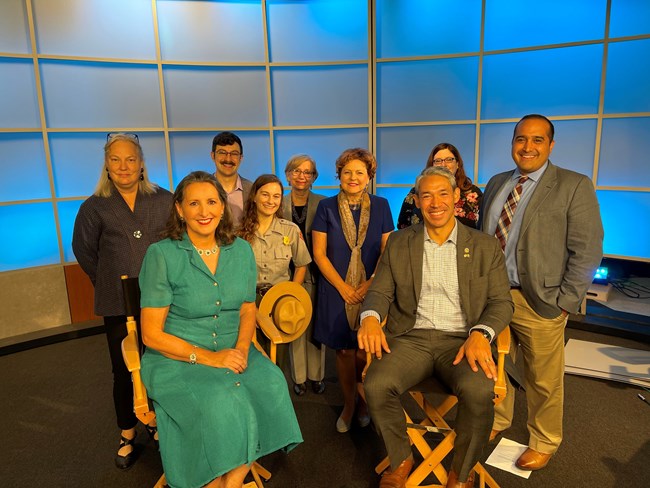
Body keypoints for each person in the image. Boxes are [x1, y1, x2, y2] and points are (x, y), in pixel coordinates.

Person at [138, 171, 303, 488]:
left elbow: (247, 309)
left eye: (212, 202)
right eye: (194, 203)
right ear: (179, 210)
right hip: (176, 357)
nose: (204, 212)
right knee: (221, 401)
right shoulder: (161, 255)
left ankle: (232, 479)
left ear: (222, 207)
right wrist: (210, 359)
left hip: (235, 348)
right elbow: (151, 336)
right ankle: (214, 478)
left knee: (271, 383)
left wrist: (242, 349)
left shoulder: (241, 250)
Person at [358, 166, 513, 488]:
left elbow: (501, 302)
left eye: (443, 193)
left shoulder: (484, 246)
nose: (435, 202)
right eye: (426, 195)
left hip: (462, 339)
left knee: (479, 389)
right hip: (410, 338)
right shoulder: (401, 242)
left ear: (457, 197)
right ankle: (401, 459)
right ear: (417, 200)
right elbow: (380, 291)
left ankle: (462, 469)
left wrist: (481, 333)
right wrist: (371, 318)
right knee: (375, 383)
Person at [480, 114, 604, 471]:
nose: (527, 146)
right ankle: (498, 420)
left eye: (537, 140)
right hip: (492, 297)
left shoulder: (573, 185)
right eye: (521, 139)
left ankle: (544, 440)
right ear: (513, 143)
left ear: (551, 145)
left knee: (543, 378)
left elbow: (588, 249)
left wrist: (565, 302)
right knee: (494, 368)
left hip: (541, 301)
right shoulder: (496, 183)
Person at [72, 132, 172, 469]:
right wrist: (108, 278)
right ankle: (127, 432)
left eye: (131, 159)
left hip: (162, 300)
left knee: (162, 363)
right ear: (107, 165)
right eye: (116, 159)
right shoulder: (93, 207)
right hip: (117, 301)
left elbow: (177, 240)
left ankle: (159, 423)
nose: (124, 166)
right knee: (124, 368)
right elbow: (85, 252)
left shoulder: (163, 199)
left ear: (142, 163)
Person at [312, 148, 394, 433]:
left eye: (360, 172)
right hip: (336, 289)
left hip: (372, 287)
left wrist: (367, 286)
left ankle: (365, 402)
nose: (353, 177)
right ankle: (348, 404)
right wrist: (345, 288)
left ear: (369, 176)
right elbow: (319, 254)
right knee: (344, 353)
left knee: (364, 351)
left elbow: (387, 251)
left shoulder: (382, 206)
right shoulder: (326, 207)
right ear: (339, 175)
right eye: (347, 172)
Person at [281, 154, 328, 396]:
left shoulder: (324, 204)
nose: (302, 176)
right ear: (288, 175)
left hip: (320, 273)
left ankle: (317, 375)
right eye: (296, 171)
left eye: (307, 172)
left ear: (314, 177)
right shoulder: (278, 203)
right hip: (289, 274)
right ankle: (298, 377)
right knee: (294, 323)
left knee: (316, 327)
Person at [238, 173, 311, 309]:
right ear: (254, 196)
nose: (271, 201)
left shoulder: (291, 230)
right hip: (248, 303)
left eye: (276, 196)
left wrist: (291, 294)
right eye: (265, 194)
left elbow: (301, 265)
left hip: (281, 302)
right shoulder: (238, 233)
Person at [397, 142, 482, 229]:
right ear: (431, 165)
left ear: (457, 164)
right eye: (438, 161)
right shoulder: (417, 191)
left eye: (449, 159)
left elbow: (483, 226)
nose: (443, 165)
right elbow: (403, 226)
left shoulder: (473, 193)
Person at [210, 131, 252, 227]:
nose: (228, 159)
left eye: (234, 153)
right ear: (213, 156)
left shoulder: (252, 190)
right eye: (222, 152)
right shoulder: (202, 188)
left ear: (241, 158)